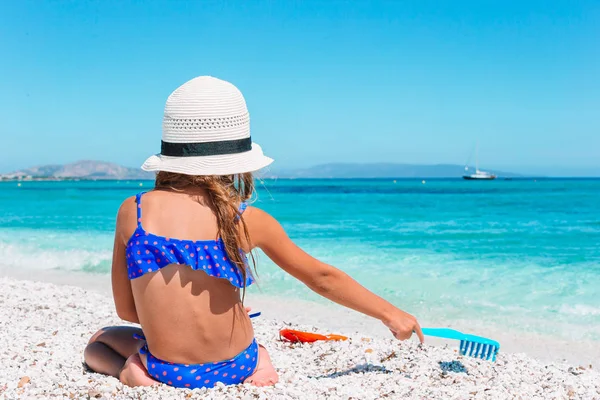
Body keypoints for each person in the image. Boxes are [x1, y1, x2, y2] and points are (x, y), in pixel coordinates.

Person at [84, 76, 424, 390]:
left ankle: (130, 372)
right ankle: (261, 366)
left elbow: (127, 311)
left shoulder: (134, 211)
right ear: (238, 158)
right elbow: (322, 277)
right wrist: (392, 314)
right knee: (253, 344)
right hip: (238, 365)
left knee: (99, 341)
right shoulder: (246, 220)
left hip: (168, 370)